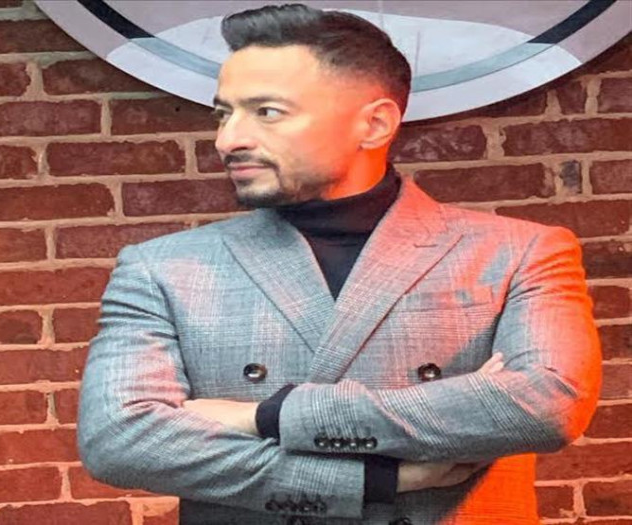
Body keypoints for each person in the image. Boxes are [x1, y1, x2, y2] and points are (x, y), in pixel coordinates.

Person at [77, 4, 602, 524]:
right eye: (223, 113)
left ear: (374, 124)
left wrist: (265, 415)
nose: (228, 139)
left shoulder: (518, 251)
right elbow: (119, 441)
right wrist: (378, 480)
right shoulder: (162, 268)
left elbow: (549, 404)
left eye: (267, 112)